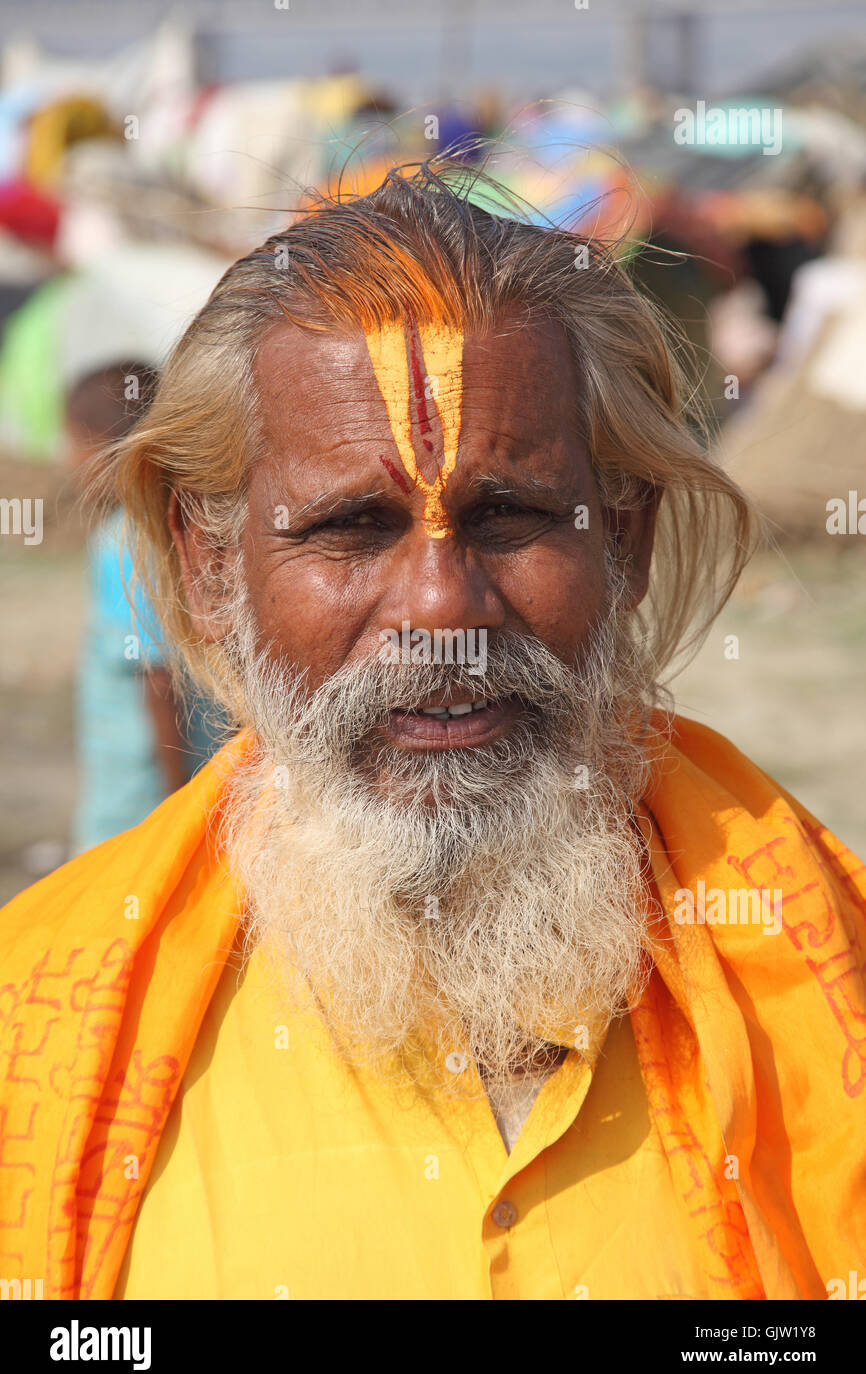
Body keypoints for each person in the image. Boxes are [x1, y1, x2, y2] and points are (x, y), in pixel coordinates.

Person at [1, 165, 864, 1301]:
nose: (441, 609)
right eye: (352, 526)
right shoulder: (32, 1017)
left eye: (507, 515)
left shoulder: (827, 964)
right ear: (211, 565)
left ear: (627, 538)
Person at [65, 361, 221, 852]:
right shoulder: (187, 529)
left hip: (141, 792)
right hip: (186, 770)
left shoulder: (123, 544)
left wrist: (173, 803)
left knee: (112, 904)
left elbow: (157, 679)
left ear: (103, 450)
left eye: (73, 445)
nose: (69, 463)